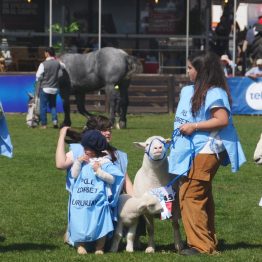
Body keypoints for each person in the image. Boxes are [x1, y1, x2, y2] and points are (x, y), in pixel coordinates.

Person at [168, 51, 246, 256]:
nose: (187, 72)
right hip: (192, 150)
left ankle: (200, 246)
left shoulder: (215, 93)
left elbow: (222, 120)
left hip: (207, 150)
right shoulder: (190, 90)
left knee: (191, 194)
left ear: (202, 71)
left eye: (190, 68)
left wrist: (194, 126)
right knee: (200, 194)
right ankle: (207, 240)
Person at [66, 130, 124, 254]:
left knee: (100, 222)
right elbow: (74, 175)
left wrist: (98, 171)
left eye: (89, 148)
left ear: (96, 148)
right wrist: (78, 162)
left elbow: (112, 179)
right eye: (85, 147)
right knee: (79, 220)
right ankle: (80, 245)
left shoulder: (105, 162)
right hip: (81, 200)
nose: (86, 150)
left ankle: (100, 247)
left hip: (98, 200)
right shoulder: (81, 161)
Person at [36, 46, 62, 129]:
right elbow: (64, 67)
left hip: (45, 88)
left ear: (47, 53)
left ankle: (44, 124)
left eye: (45, 52)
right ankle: (55, 122)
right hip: (54, 88)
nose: (44, 54)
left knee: (43, 107)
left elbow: (38, 75)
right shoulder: (57, 63)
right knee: (53, 106)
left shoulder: (43, 64)